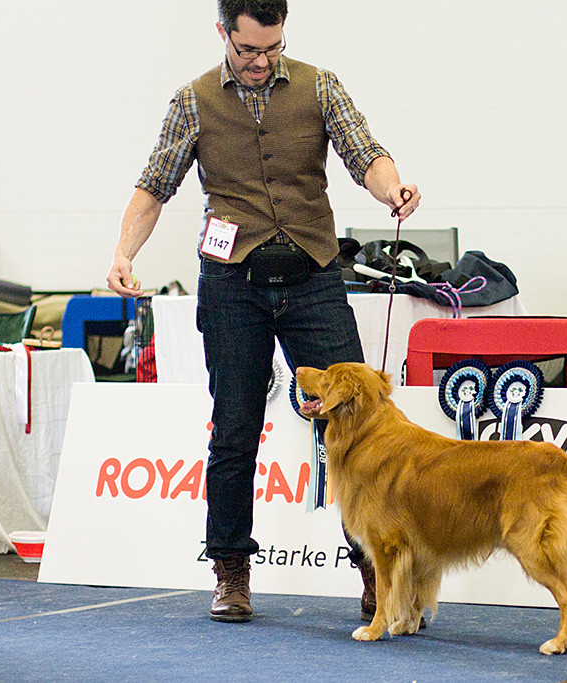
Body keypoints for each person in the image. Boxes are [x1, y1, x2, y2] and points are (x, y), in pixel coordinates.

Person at [106, 0, 420, 623]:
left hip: (314, 278)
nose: (261, 61)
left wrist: (393, 188)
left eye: (273, 48)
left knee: (363, 423)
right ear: (223, 32)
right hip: (232, 286)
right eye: (248, 49)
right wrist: (123, 253)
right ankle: (230, 573)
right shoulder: (193, 100)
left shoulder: (320, 85)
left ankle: (377, 572)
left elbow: (364, 152)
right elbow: (155, 184)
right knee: (235, 430)